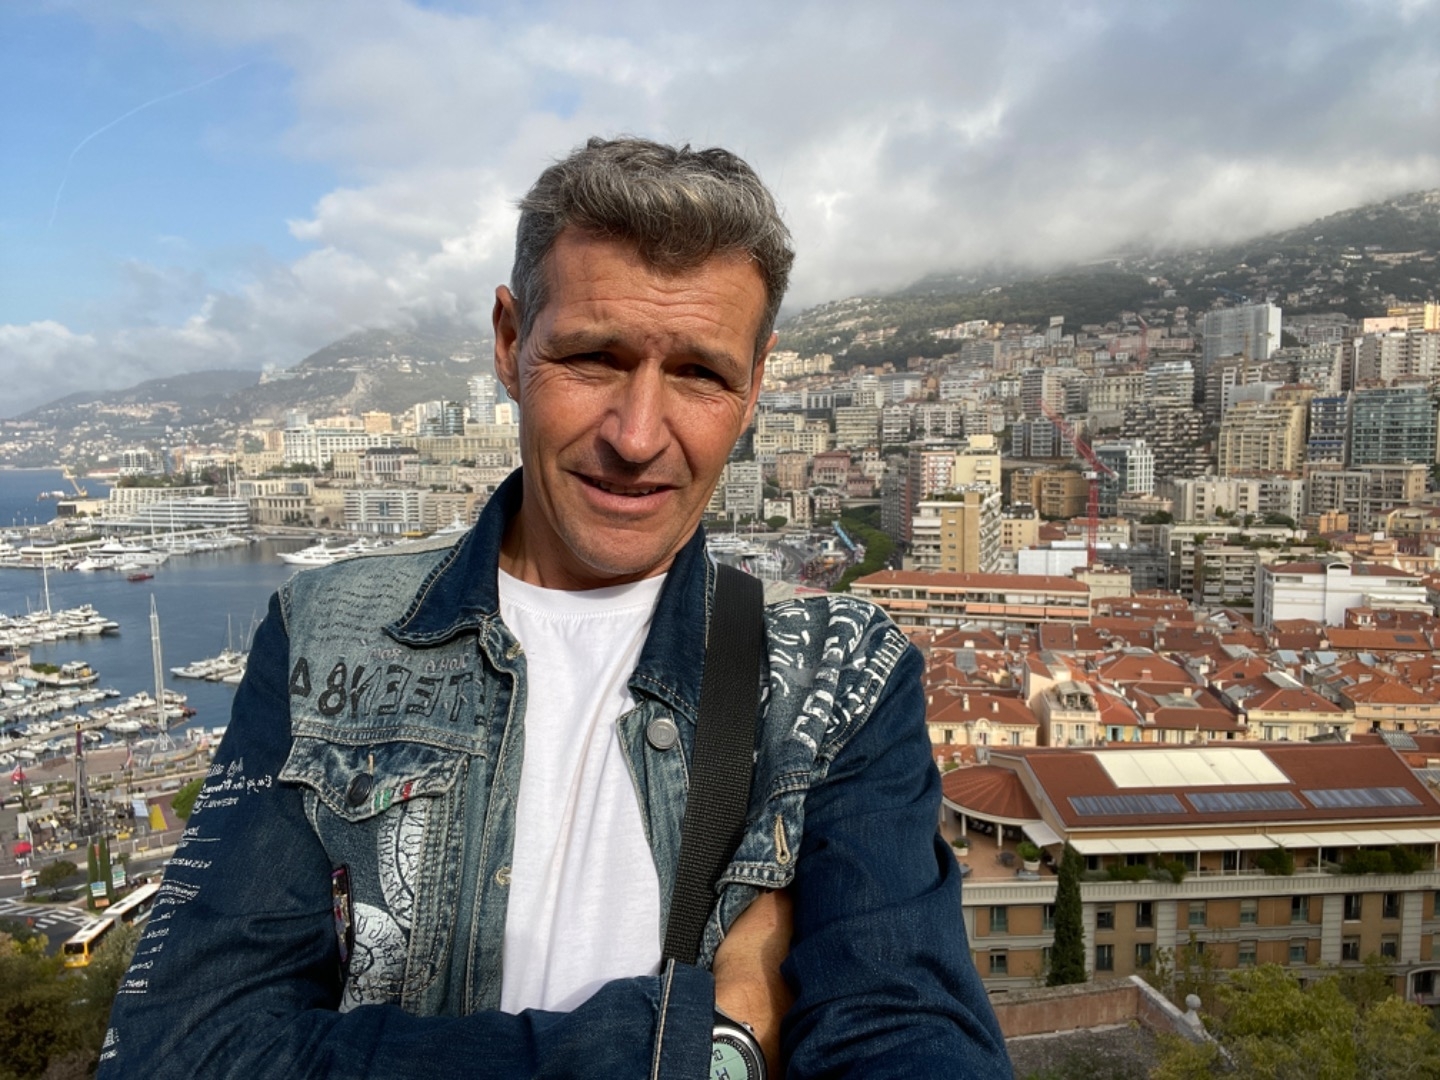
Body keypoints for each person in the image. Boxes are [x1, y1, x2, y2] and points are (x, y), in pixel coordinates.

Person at [98, 137, 1009, 1078]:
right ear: (509, 341)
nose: (637, 436)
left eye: (700, 374)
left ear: (755, 386)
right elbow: (180, 1055)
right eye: (592, 358)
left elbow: (909, 1037)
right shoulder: (324, 635)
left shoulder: (837, 671)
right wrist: (704, 1040)